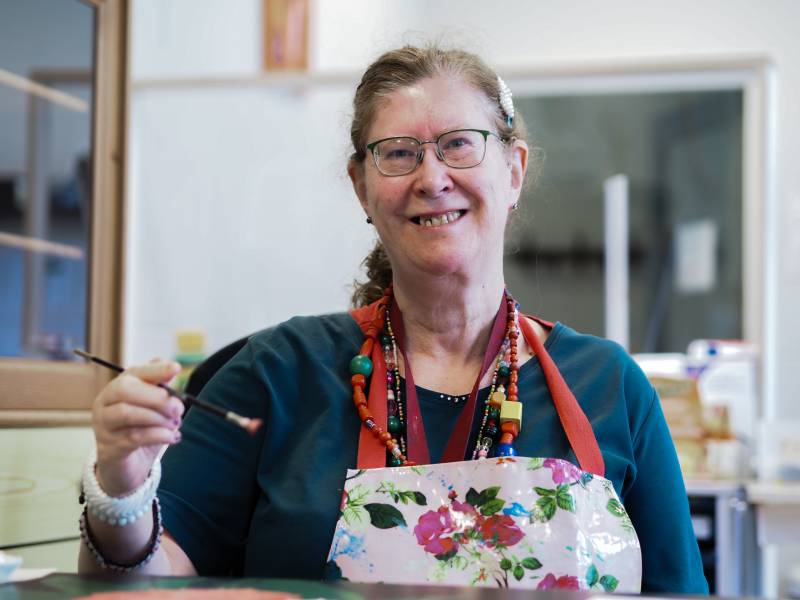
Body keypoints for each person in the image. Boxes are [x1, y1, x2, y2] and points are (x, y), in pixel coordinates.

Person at [78, 44, 708, 594]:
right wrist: (122, 487)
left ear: (513, 171)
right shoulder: (278, 373)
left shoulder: (610, 387)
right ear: (361, 187)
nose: (432, 178)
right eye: (399, 154)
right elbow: (146, 585)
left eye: (459, 145)